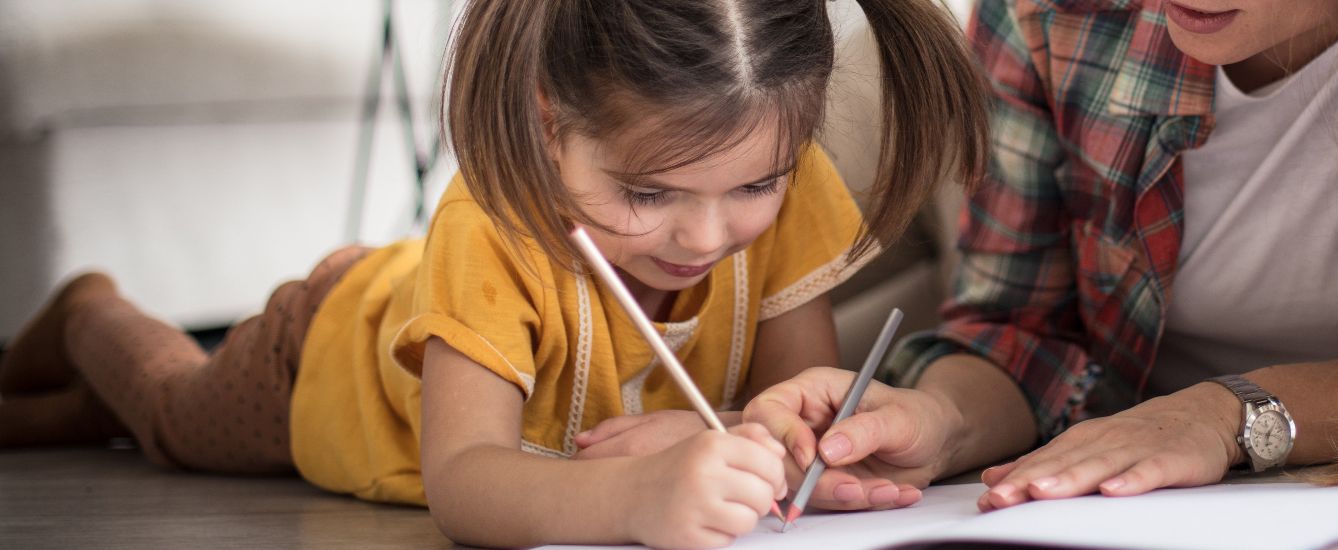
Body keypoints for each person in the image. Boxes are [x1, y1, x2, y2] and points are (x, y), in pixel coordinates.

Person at [0, 0, 984, 546]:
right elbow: (465, 480)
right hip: (328, 358)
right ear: (551, 126)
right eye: (648, 194)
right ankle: (90, 308)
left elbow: (774, 403)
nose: (706, 232)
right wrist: (640, 498)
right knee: (168, 414)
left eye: (755, 185)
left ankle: (60, 413)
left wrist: (774, 442)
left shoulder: (791, 186)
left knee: (85, 432)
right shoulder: (492, 220)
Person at [744, 0, 1338, 514]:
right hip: (1138, 484)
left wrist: (1234, 415)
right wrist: (935, 416)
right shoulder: (1052, 11)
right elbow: (1024, 329)